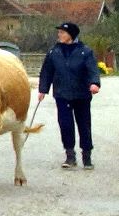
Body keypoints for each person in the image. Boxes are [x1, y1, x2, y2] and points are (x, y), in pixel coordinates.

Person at [37, 21, 101, 170]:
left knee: (84, 125)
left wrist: (94, 83)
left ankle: (87, 155)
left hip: (81, 95)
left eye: (62, 33)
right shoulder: (54, 52)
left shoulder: (85, 51)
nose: (59, 35)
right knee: (65, 125)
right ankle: (70, 155)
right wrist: (43, 90)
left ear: (71, 35)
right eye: (59, 32)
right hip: (62, 94)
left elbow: (93, 69)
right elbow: (46, 72)